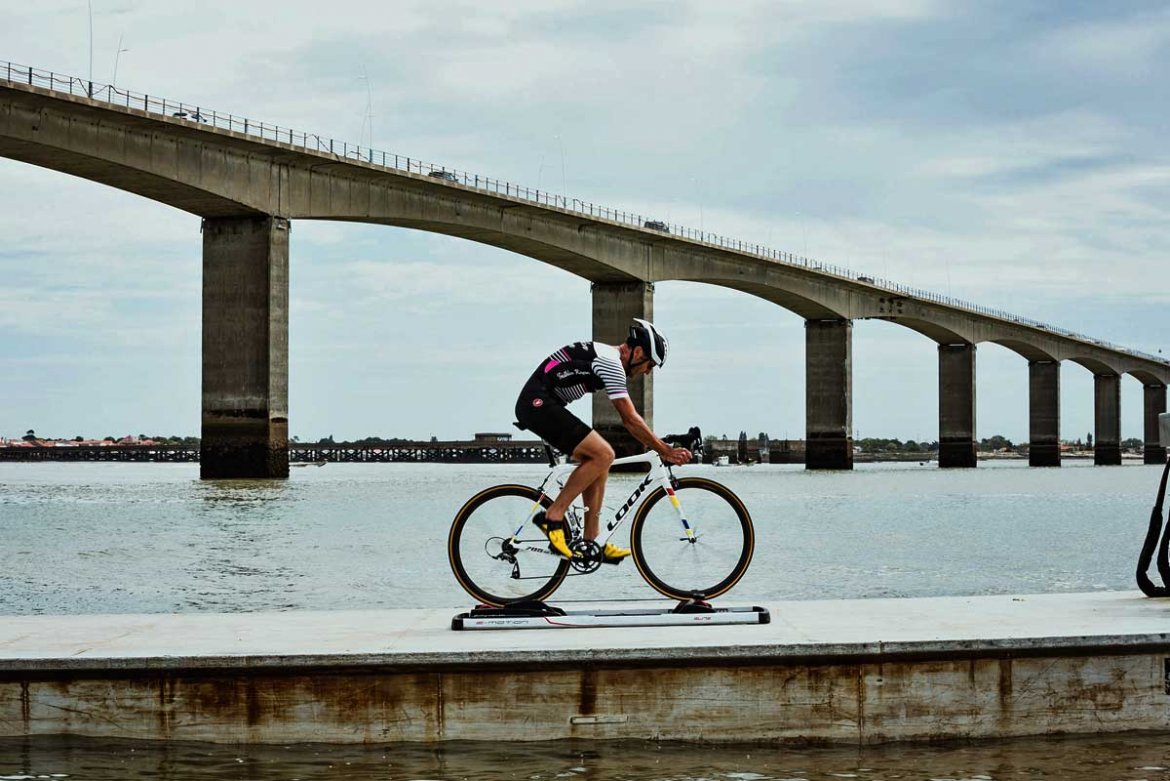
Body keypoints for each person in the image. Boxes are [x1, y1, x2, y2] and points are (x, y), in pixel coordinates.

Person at [514, 318, 693, 563]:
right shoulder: (611, 363)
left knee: (599, 461)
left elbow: (632, 421)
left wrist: (659, 444)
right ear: (638, 352)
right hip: (537, 404)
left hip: (546, 404)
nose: (648, 371)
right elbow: (629, 419)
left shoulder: (606, 357)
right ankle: (552, 516)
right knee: (604, 454)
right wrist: (664, 450)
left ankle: (591, 540)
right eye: (650, 364)